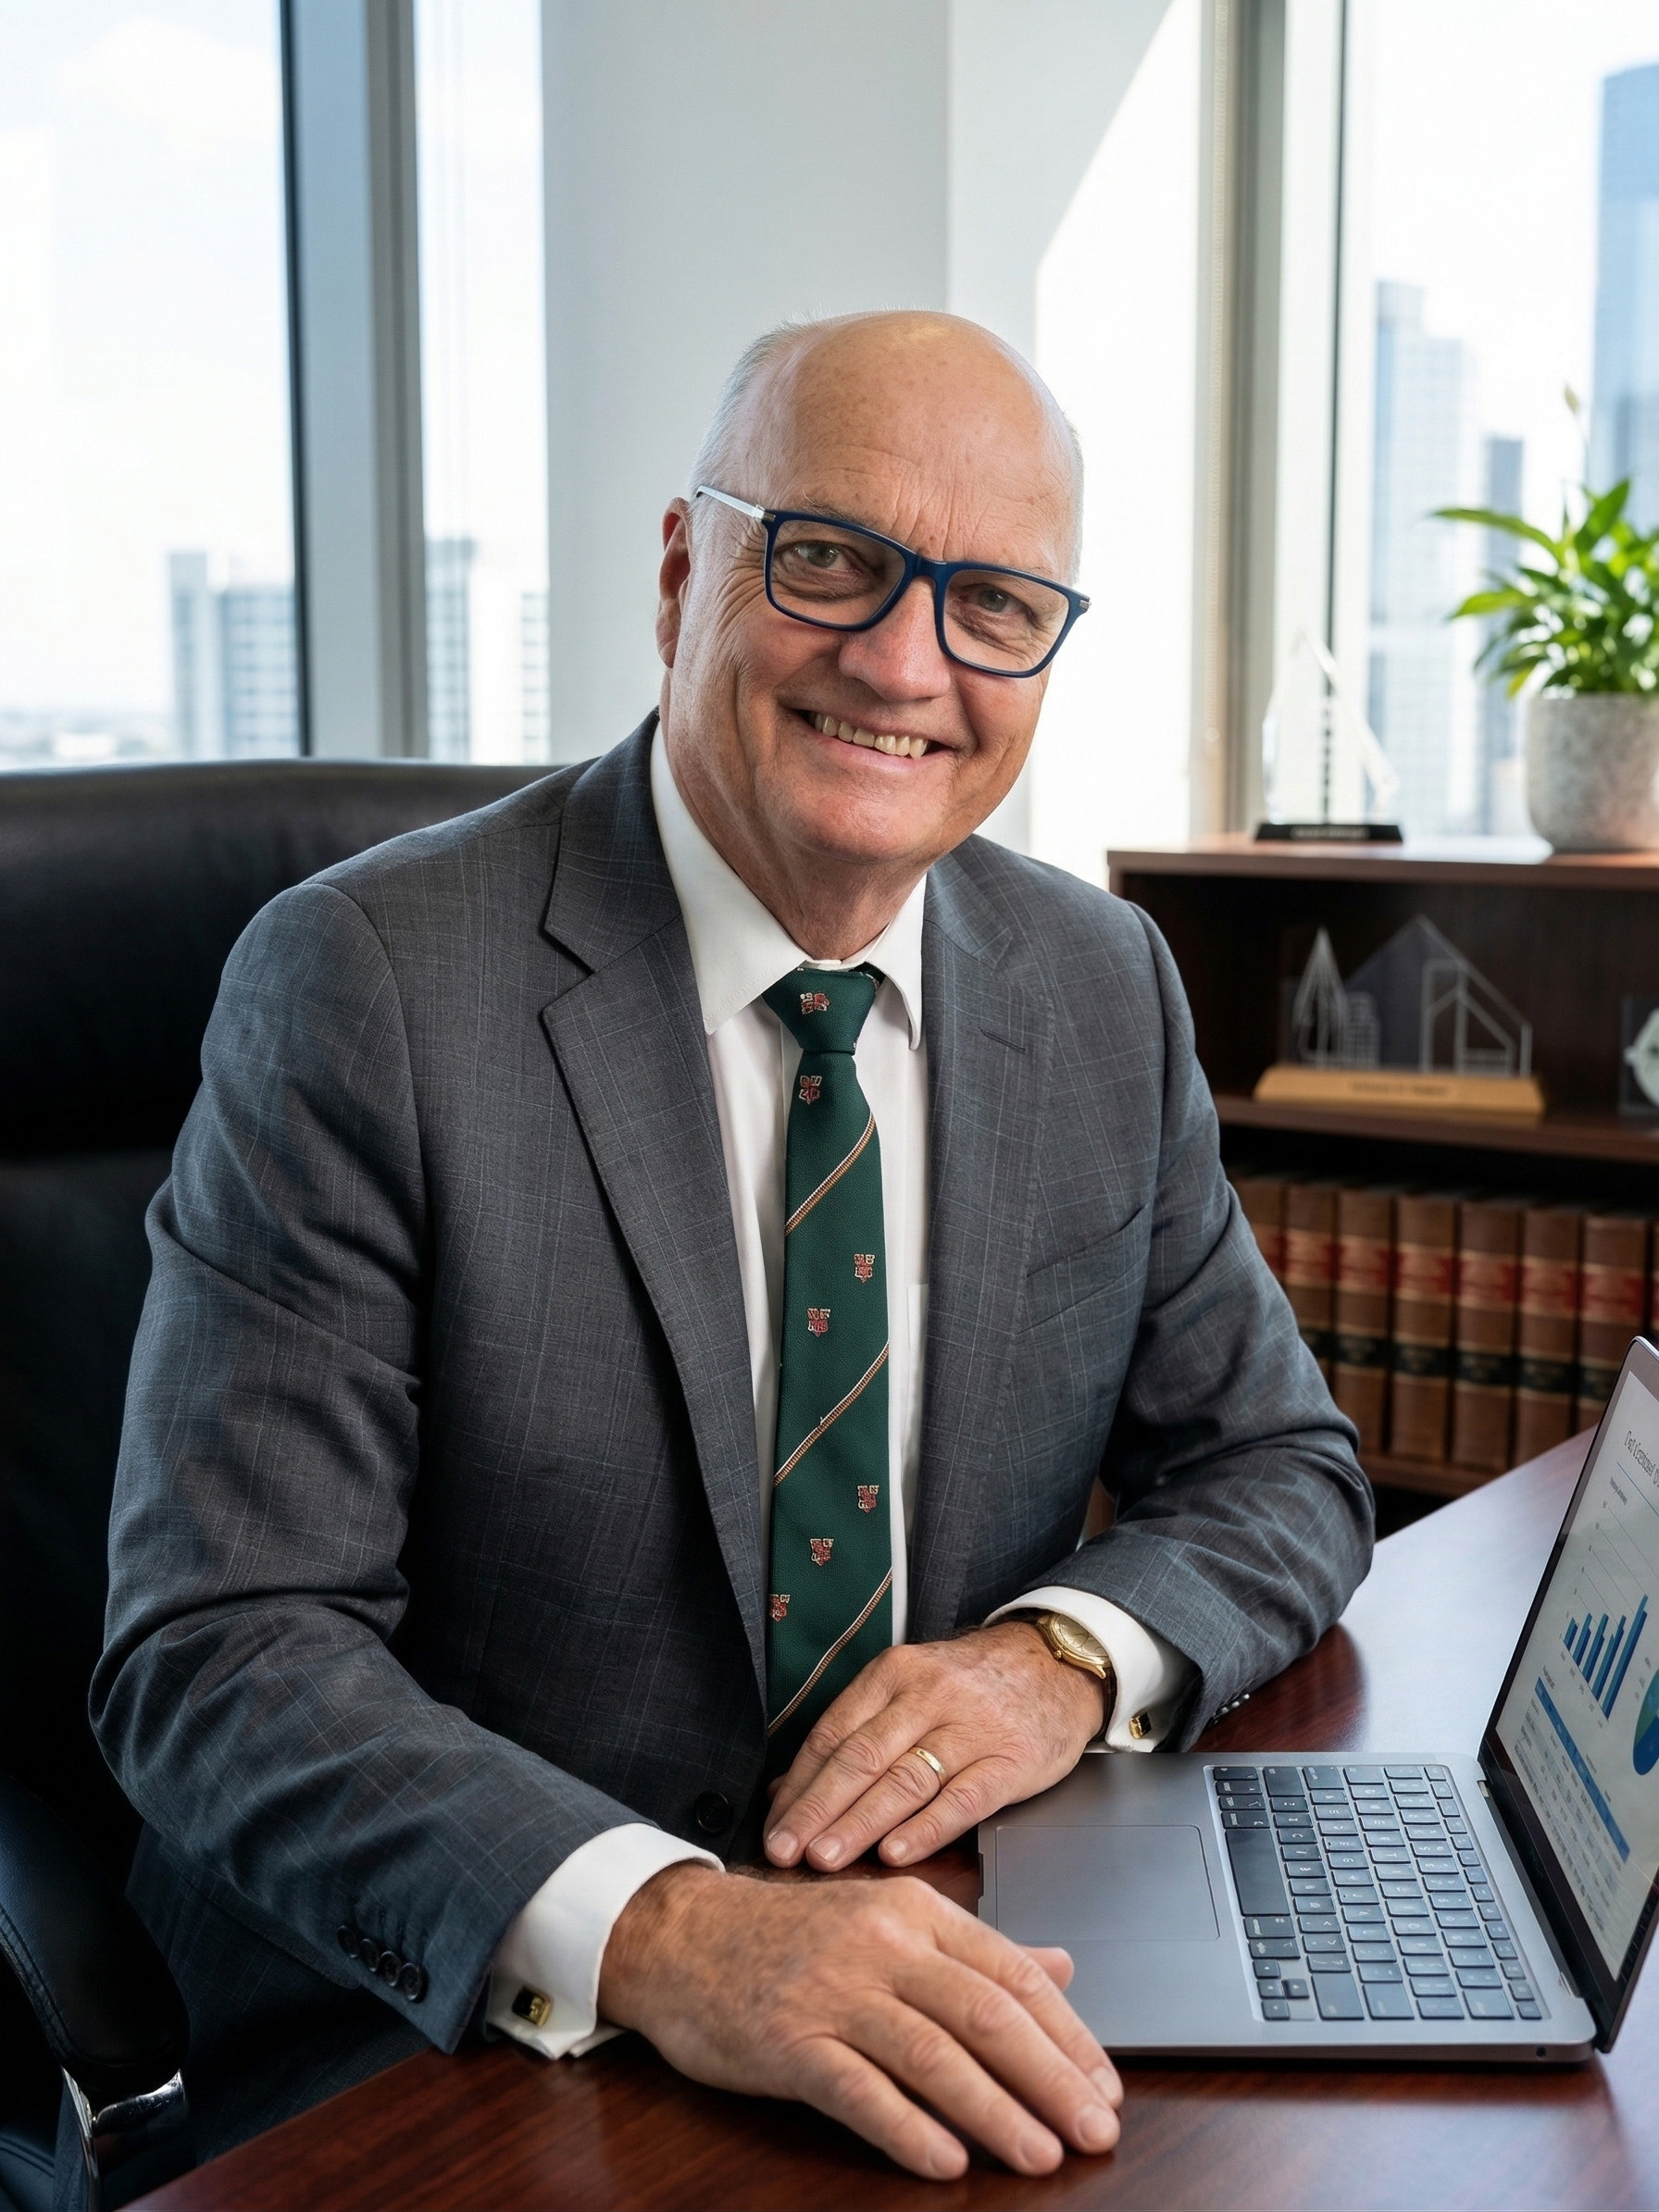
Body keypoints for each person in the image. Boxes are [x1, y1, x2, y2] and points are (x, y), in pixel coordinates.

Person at [95, 311, 1371, 2185]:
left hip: (943, 1970)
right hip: (460, 2046)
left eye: (992, 604)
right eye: (830, 560)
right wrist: (668, 1929)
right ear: (687, 569)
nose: (904, 661)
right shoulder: (363, 984)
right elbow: (218, 1648)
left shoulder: (1100, 986)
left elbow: (1277, 1462)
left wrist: (1055, 1661)